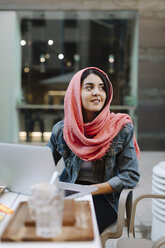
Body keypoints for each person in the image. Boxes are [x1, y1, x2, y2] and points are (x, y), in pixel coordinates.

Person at [47, 67, 140, 233]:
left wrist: (91, 190)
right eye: (89, 87)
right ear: (75, 93)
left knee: (78, 229)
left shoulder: (121, 128)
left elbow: (131, 176)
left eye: (102, 88)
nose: (97, 92)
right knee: (43, 222)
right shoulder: (62, 130)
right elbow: (44, 166)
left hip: (104, 198)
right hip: (70, 193)